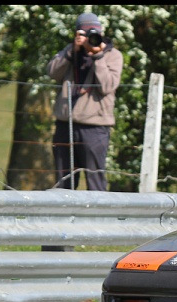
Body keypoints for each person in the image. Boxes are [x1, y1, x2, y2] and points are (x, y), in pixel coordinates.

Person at [47, 12, 123, 191]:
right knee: (63, 181)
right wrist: (71, 51)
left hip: (94, 127)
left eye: (93, 34)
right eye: (85, 33)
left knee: (95, 180)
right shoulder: (71, 52)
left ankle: (99, 218)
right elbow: (52, 72)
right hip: (65, 124)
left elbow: (107, 86)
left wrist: (98, 56)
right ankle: (63, 217)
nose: (90, 38)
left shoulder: (112, 55)